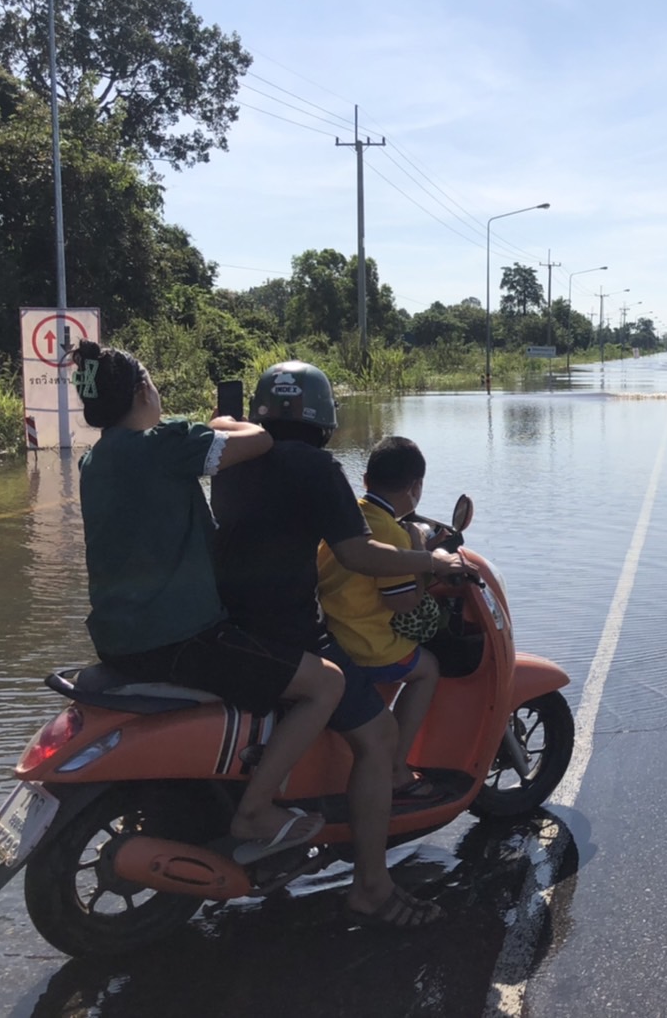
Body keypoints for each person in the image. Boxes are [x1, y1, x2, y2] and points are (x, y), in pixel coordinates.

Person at [210, 361, 466, 929]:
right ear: (324, 417)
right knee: (378, 737)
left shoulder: (230, 459)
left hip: (229, 625)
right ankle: (371, 886)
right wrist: (430, 560)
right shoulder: (317, 467)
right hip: (287, 630)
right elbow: (359, 553)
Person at [69, 341, 343, 862]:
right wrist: (226, 421)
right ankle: (255, 811)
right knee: (326, 683)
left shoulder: (93, 459)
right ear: (143, 391)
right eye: (154, 386)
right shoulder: (165, 445)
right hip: (179, 638)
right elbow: (261, 439)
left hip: (116, 638)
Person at [316, 437, 443, 798]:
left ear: (366, 480)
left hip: (330, 632)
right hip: (364, 642)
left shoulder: (350, 517)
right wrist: (421, 555)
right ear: (415, 487)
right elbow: (404, 602)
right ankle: (397, 768)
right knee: (428, 668)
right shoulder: (391, 533)